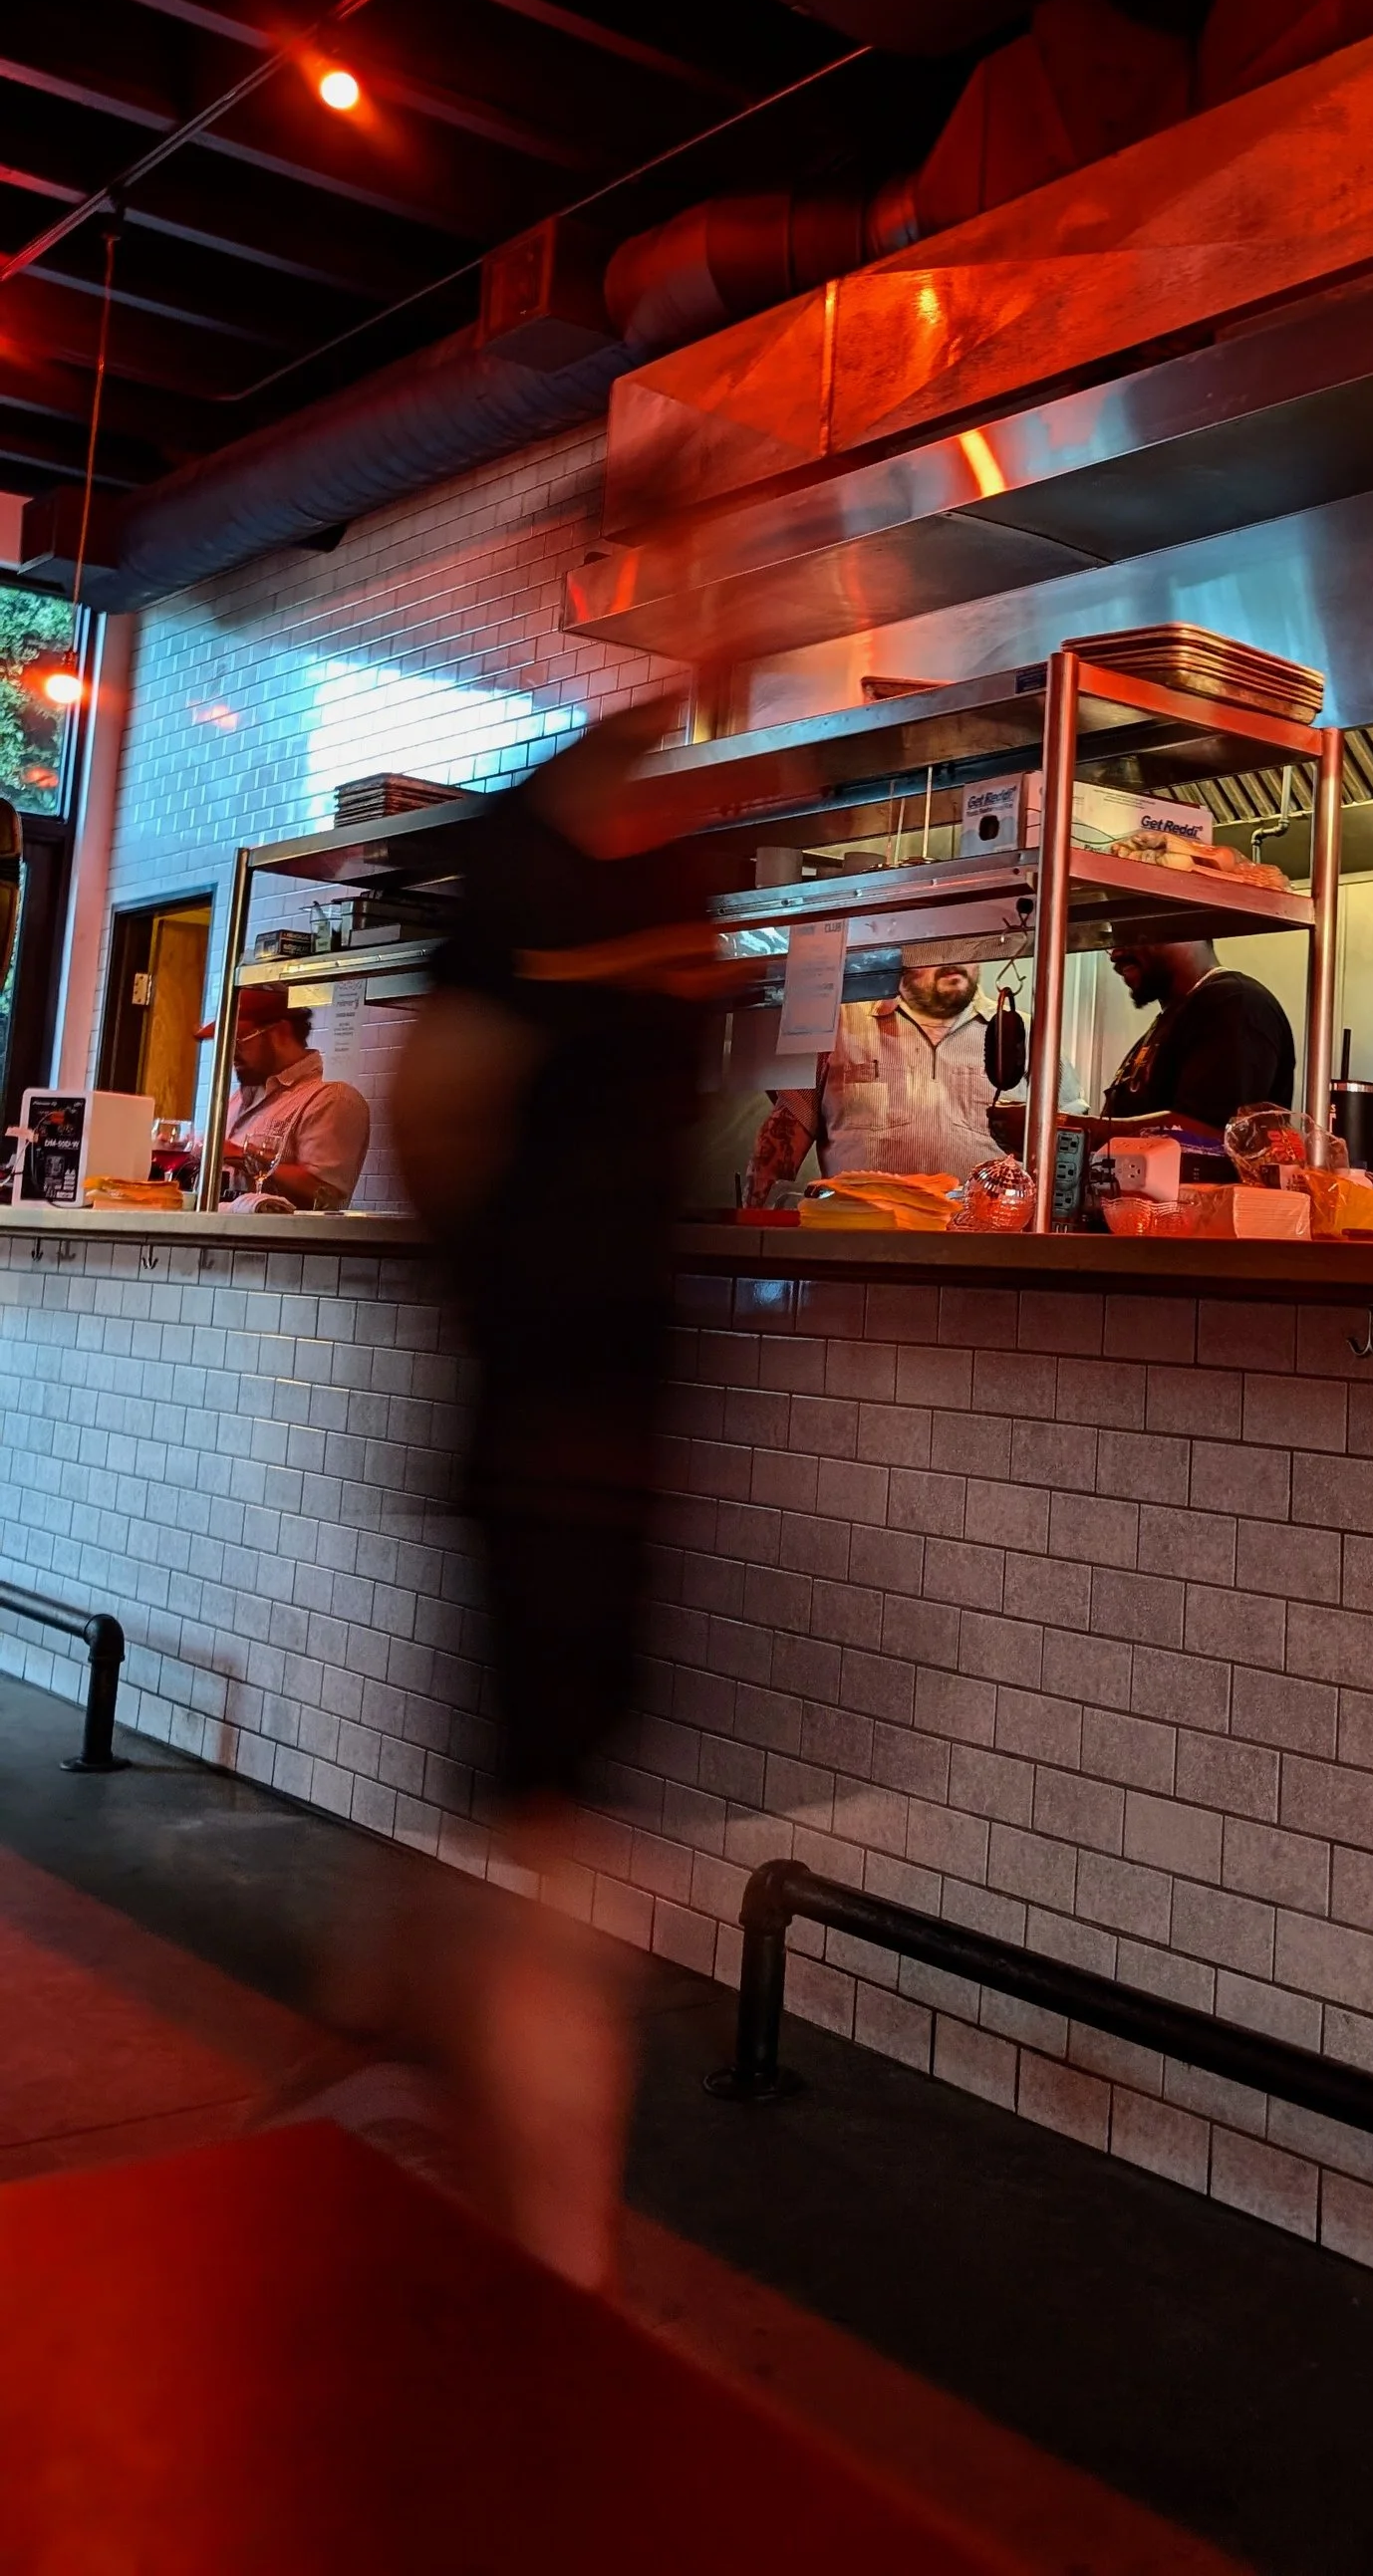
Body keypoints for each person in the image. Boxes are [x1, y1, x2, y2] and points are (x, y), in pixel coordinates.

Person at [378, 697, 727, 2288]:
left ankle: (440, 2047)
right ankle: (556, 2259)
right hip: (551, 1410)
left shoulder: (681, 865)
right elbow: (438, 1111)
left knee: (552, 1832)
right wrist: (504, 1322)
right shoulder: (523, 866)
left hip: (620, 1410)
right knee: (552, 1842)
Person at [746, 957, 996, 1199]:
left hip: (986, 1237)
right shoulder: (838, 1026)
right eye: (937, 946)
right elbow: (780, 1145)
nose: (953, 959)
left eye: (964, 946)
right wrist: (755, 1229)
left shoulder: (1021, 1033)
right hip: (862, 1235)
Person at [198, 984, 371, 1207]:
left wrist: (241, 1155)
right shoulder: (238, 1099)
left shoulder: (332, 1099)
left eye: (238, 1040)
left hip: (286, 1241)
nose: (230, 1053)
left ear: (279, 1032)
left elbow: (326, 1196)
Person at [1102, 932, 1295, 1126]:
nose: (1115, 954)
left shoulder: (1235, 1002)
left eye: (1130, 934)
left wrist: (1086, 1128)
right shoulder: (1174, 1018)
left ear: (1189, 928)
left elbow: (1208, 1138)